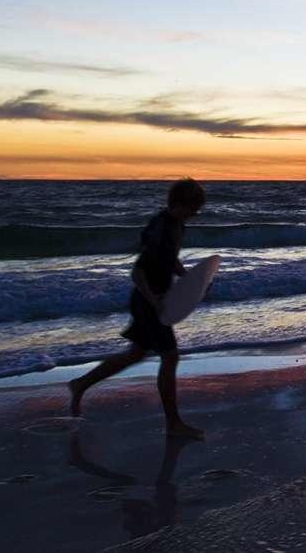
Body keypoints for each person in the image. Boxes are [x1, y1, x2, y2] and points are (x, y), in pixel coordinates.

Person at [68, 178, 206, 439]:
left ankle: (80, 384)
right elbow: (138, 271)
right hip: (147, 301)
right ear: (180, 203)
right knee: (170, 356)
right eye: (193, 207)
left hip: (155, 300)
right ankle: (174, 424)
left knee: (136, 354)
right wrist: (154, 300)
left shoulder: (177, 224)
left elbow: (169, 258)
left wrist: (190, 279)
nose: (195, 213)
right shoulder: (160, 226)